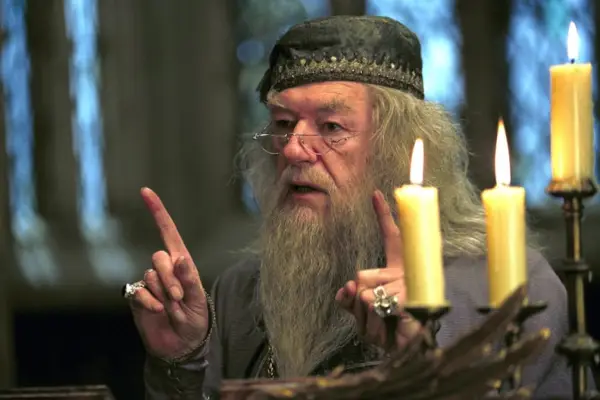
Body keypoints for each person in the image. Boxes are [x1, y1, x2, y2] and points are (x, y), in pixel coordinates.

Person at [125, 15, 574, 399]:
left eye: (331, 127)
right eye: (283, 123)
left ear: (395, 149)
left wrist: (416, 359)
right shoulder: (238, 295)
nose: (294, 148)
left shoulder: (506, 286)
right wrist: (181, 362)